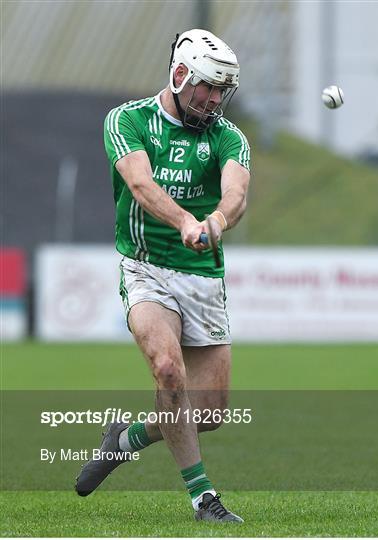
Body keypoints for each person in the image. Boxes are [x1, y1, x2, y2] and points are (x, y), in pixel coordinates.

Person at [76, 28, 250, 523]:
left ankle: (125, 438)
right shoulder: (127, 120)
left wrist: (216, 222)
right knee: (168, 371)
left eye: (222, 90)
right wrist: (184, 222)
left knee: (210, 413)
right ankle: (203, 499)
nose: (215, 99)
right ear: (179, 75)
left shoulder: (227, 136)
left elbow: (235, 193)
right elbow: (139, 182)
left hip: (203, 279)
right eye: (208, 87)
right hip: (146, 268)